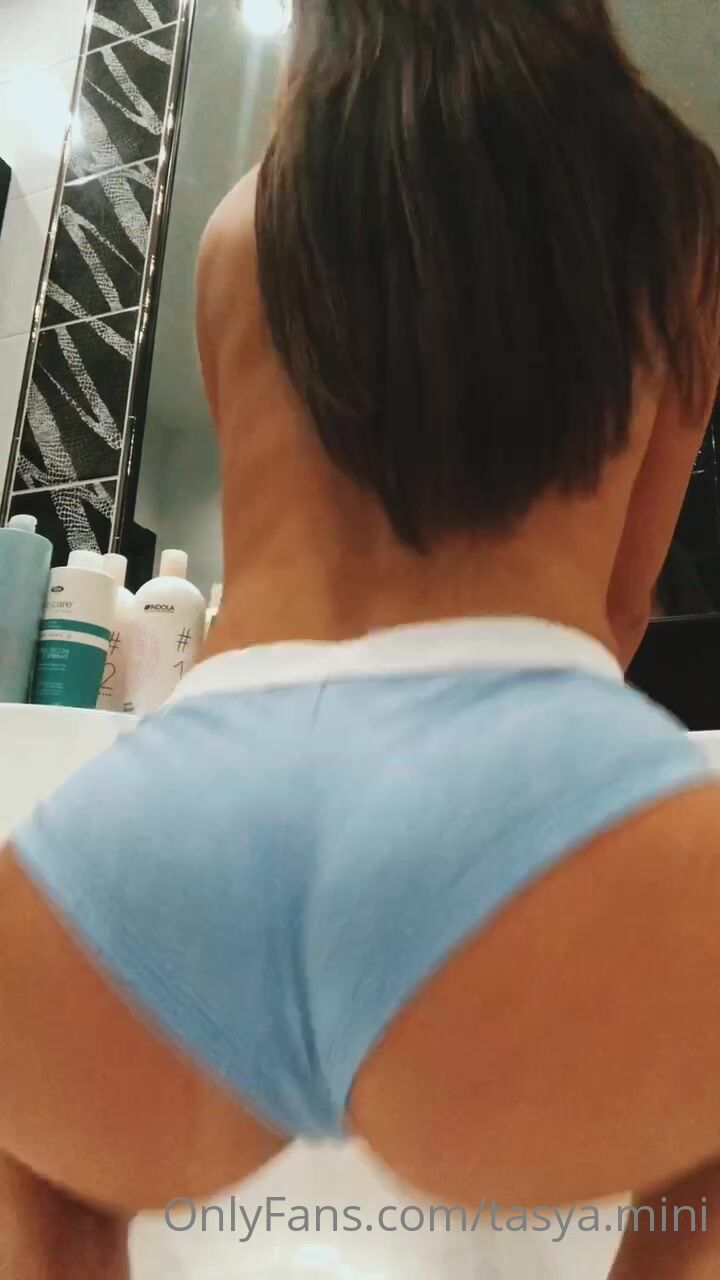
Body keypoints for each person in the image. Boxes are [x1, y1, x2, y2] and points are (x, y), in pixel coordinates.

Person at [2, 1, 720, 1276]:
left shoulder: (241, 220)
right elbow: (621, 607)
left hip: (185, 818)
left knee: (36, 1158)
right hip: (530, 794)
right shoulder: (672, 216)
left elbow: (266, 555)